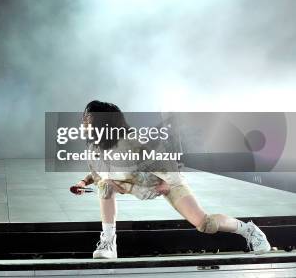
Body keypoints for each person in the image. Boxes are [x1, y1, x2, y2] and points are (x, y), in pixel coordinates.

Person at [71, 100, 271, 259]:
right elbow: (99, 173)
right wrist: (82, 183)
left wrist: (167, 184)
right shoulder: (94, 148)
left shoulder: (130, 141)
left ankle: (250, 230)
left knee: (205, 224)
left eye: (88, 119)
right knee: (105, 186)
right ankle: (109, 243)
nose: (83, 123)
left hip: (163, 181)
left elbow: (164, 162)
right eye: (84, 119)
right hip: (135, 184)